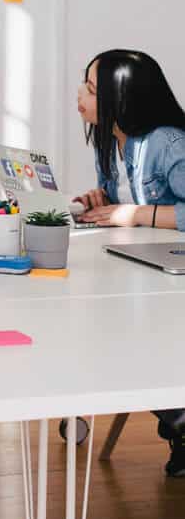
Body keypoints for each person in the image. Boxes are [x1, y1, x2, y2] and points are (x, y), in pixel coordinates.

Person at [74, 48, 185, 475]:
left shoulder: (167, 145)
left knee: (124, 336)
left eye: (89, 89)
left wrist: (137, 215)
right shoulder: (112, 141)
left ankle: (179, 421)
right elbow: (127, 200)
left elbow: (145, 210)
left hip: (170, 284)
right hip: (144, 271)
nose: (79, 96)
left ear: (121, 99)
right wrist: (103, 202)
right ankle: (177, 419)